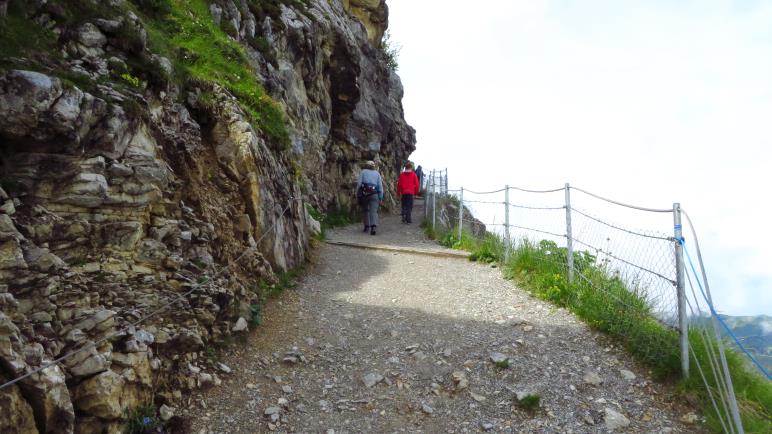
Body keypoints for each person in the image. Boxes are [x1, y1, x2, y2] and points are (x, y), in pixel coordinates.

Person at [356, 160, 384, 235]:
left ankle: (366, 226)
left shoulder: (363, 172)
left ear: (366, 165)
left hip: (365, 194)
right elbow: (380, 186)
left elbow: (359, 184)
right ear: (373, 166)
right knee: (373, 211)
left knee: (365, 210)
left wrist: (357, 194)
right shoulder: (377, 174)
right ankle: (373, 227)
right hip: (375, 194)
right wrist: (381, 197)